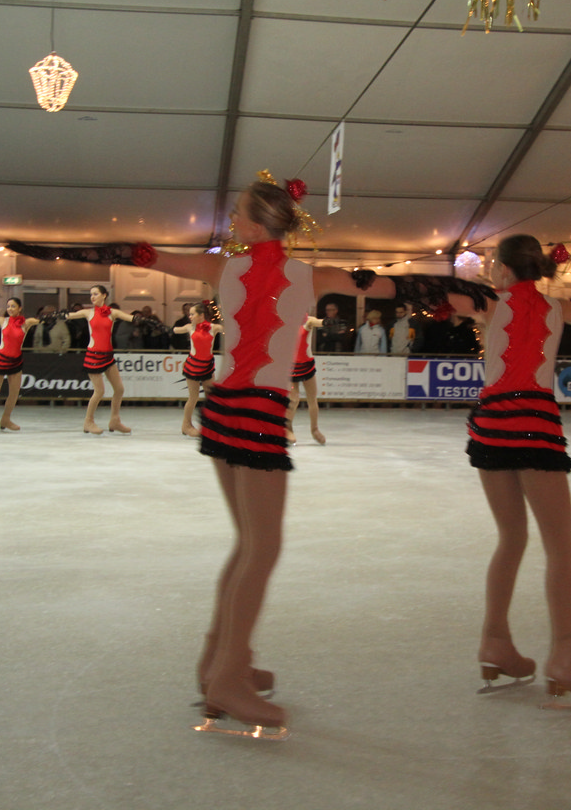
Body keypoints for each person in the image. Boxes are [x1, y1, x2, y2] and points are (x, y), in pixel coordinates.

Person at [143, 178, 494, 734]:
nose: (231, 221)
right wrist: (459, 291)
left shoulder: (221, 268)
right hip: (257, 413)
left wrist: (64, 248)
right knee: (262, 547)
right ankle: (227, 677)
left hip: (223, 406)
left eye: (237, 214)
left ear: (256, 225)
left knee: (248, 544)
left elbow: (144, 255)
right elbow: (392, 287)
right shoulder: (309, 276)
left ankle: (219, 662)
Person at [448, 235, 571, 706]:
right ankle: (565, 654)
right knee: (560, 546)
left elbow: (441, 296)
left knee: (512, 537)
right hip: (534, 425)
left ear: (502, 270)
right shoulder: (557, 307)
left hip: (491, 426)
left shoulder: (490, 303)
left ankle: (494, 640)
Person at [66, 286, 138, 435]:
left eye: (95, 294)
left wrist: (143, 320)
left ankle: (115, 420)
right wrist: (58, 315)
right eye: (91, 294)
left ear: (104, 295)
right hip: (93, 356)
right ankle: (88, 422)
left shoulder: (112, 312)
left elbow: (130, 318)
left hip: (108, 356)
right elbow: (70, 315)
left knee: (119, 389)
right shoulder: (88, 312)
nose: (92, 297)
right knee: (99, 391)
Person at [0, 297, 40, 432]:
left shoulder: (26, 323)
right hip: (0, 359)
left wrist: (52, 316)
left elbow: (40, 320)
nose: (10, 309)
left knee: (14, 393)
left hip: (16, 361)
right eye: (8, 306)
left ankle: (5, 419)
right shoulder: (3, 321)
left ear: (20, 308)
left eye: (13, 306)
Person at [172, 302, 222, 437]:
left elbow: (229, 328)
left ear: (201, 315)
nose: (190, 316)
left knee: (211, 397)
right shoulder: (189, 327)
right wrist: (168, 328)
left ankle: (211, 425)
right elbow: (175, 330)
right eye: (190, 314)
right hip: (193, 366)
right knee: (193, 397)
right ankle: (186, 425)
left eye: (192, 314)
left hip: (207, 367)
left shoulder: (213, 327)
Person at [286, 316, 326, 445]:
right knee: (293, 399)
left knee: (312, 399)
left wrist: (327, 322)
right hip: (291, 368)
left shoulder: (308, 321)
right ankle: (287, 428)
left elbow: (317, 322)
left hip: (307, 367)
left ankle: (315, 430)